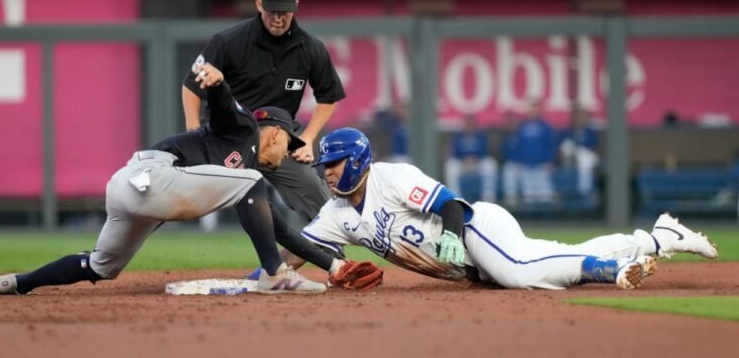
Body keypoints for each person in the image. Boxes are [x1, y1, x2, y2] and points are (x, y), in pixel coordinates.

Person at [0, 63, 329, 295]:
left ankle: (18, 282)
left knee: (99, 266)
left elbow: (280, 230)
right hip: (153, 176)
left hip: (129, 187)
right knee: (252, 179)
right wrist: (218, 83)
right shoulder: (246, 131)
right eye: (290, 141)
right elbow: (225, 107)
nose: (290, 151)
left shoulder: (244, 176)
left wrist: (335, 265)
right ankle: (275, 274)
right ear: (274, 133)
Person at [300, 127, 718, 290]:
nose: (328, 174)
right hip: (469, 266)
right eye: (324, 167)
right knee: (540, 260)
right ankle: (657, 237)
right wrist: (266, 276)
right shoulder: (336, 213)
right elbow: (294, 246)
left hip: (475, 228)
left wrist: (448, 235)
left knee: (519, 273)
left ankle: (606, 270)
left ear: (356, 159)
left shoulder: (390, 177)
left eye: (333, 164)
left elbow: (450, 204)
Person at [181, 0, 344, 229]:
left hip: (279, 138)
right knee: (177, 196)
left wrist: (309, 138)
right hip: (228, 136)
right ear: (259, 5)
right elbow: (192, 86)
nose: (278, 18)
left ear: (296, 7)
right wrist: (193, 132)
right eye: (272, 10)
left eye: (284, 11)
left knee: (315, 192)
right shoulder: (228, 41)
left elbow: (329, 96)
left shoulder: (311, 49)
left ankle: (336, 260)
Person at [444, 115, 497, 202]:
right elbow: (454, 152)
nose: (469, 127)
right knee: (451, 166)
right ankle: (455, 197)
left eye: (471, 124)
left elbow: (485, 152)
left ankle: (488, 197)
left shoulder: (480, 136)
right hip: (462, 164)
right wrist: (464, 159)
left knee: (490, 164)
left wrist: (475, 158)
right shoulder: (458, 136)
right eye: (468, 124)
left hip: (477, 164)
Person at [516, 101, 556, 204]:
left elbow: (550, 144)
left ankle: (546, 219)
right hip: (526, 166)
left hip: (542, 166)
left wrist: (549, 160)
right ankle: (529, 220)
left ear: (539, 111)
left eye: (535, 109)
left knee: (545, 196)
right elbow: (519, 145)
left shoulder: (545, 126)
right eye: (531, 109)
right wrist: (520, 161)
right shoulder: (522, 126)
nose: (533, 112)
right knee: (528, 196)